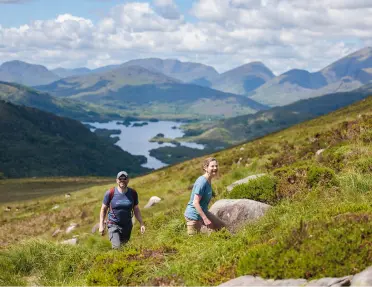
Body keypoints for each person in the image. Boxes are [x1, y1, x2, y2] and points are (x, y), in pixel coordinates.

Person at [99, 171, 145, 249]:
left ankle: (117, 260)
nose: (122, 181)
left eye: (124, 179)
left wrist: (141, 223)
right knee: (117, 247)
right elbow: (103, 209)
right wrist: (101, 225)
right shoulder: (110, 193)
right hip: (113, 224)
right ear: (117, 180)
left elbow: (136, 209)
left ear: (128, 180)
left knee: (124, 248)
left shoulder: (133, 193)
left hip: (127, 226)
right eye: (120, 179)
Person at [184, 157, 225, 235]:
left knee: (221, 227)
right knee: (195, 241)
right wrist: (205, 219)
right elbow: (195, 202)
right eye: (212, 166)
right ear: (205, 168)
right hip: (193, 216)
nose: (215, 168)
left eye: (216, 166)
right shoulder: (202, 182)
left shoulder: (208, 180)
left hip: (203, 212)